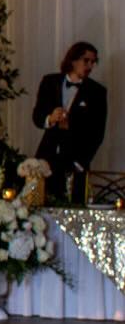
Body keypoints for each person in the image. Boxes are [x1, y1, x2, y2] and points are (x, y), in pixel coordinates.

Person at [32, 41, 107, 204]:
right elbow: (37, 116)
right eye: (86, 60)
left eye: (93, 62)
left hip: (75, 162)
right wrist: (50, 118)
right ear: (73, 60)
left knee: (74, 207)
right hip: (47, 157)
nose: (90, 66)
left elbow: (97, 133)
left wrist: (80, 162)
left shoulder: (97, 92)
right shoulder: (50, 82)